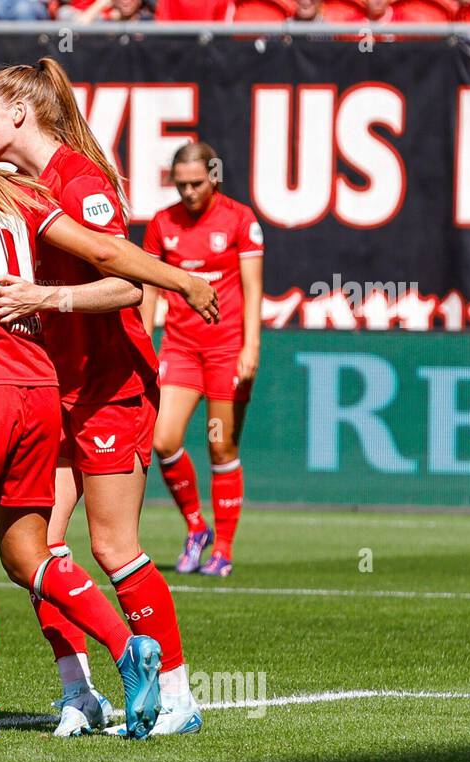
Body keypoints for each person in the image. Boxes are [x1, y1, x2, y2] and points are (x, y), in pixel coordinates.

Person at [0, 91, 217, 740]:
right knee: (30, 551)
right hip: (38, 390)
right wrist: (183, 281)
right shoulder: (11, 192)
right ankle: (124, 647)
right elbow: (107, 254)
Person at [0, 58, 201, 737]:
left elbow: (129, 283)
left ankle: (179, 697)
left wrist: (46, 298)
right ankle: (81, 693)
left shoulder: (80, 179)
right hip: (52, 392)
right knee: (34, 552)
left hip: (110, 389)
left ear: (18, 111)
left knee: (112, 547)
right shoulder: (17, 186)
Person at [141, 142, 264, 578]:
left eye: (197, 182)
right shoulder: (161, 224)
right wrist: (142, 343)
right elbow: (149, 291)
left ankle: (224, 550)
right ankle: (197, 527)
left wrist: (251, 348)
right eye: (182, 184)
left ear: (214, 175)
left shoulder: (240, 219)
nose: (190, 191)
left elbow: (253, 288)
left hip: (226, 349)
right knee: (163, 440)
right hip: (180, 348)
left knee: (220, 445)